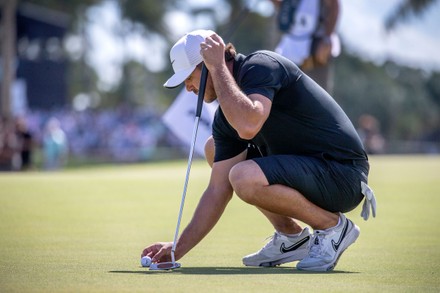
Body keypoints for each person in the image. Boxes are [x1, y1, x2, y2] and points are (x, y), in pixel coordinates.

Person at [142, 30, 376, 271]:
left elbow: (248, 125)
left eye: (189, 78)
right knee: (214, 148)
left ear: (209, 64)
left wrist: (217, 67)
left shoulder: (260, 65)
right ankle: (291, 238)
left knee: (243, 176)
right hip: (311, 173)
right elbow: (217, 190)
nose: (189, 89)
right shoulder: (226, 116)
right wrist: (176, 249)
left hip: (342, 175)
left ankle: (333, 227)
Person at [272, 0, 340, 93]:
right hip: (289, 50)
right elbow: (284, 6)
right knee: (281, 94)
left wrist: (326, 38)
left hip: (315, 52)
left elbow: (334, 7)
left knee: (316, 97)